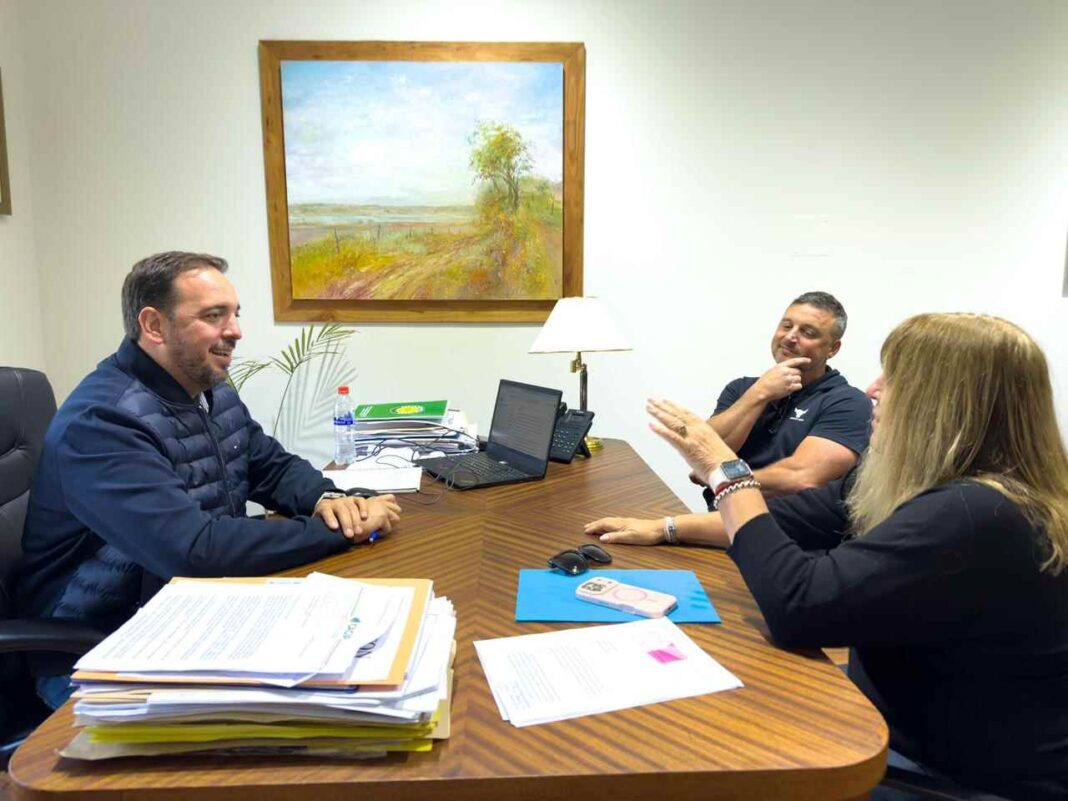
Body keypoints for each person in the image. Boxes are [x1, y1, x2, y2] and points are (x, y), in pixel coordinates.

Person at [589, 313, 1068, 799]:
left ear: (951, 404)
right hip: (899, 719)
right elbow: (783, 525)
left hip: (954, 775)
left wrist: (725, 472)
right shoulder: (922, 486)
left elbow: (798, 604)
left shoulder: (976, 512)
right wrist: (667, 528)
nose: (873, 389)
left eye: (893, 378)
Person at [17, 252, 401, 707]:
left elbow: (267, 464)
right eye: (213, 316)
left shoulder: (208, 388)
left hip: (194, 612)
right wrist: (340, 531)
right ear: (154, 326)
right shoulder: (102, 422)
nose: (235, 330)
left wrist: (327, 499)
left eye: (235, 314)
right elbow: (192, 550)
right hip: (103, 645)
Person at [702, 291, 871, 499]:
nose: (790, 337)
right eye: (787, 326)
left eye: (807, 332)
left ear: (832, 349)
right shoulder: (741, 389)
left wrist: (720, 479)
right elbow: (703, 453)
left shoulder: (848, 403)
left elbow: (799, 477)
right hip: (721, 514)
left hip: (785, 525)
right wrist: (759, 394)